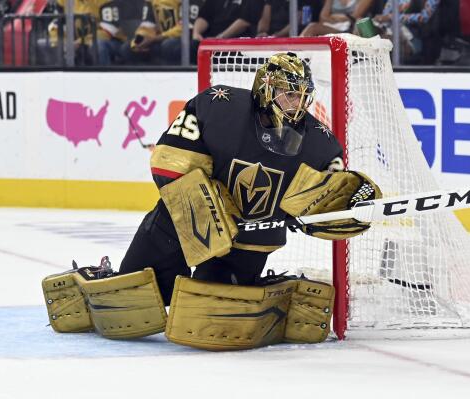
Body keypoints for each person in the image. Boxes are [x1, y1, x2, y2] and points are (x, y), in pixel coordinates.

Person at [42, 53, 381, 350]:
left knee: (215, 314)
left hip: (249, 242)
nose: (296, 104)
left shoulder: (321, 145)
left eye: (302, 97)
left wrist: (335, 210)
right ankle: (96, 278)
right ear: (265, 88)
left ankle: (269, 290)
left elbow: (330, 201)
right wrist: (213, 209)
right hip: (180, 224)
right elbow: (167, 162)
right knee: (129, 303)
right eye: (288, 94)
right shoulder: (219, 106)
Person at [190, 0, 264, 62]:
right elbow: (204, 16)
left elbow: (245, 22)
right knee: (187, 46)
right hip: (210, 43)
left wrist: (219, 38)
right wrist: (196, 32)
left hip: (237, 47)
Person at [300, 0, 373, 37]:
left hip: (353, 27)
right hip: (334, 27)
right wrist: (343, 17)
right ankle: (296, 57)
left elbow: (355, 16)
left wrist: (333, 16)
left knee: (359, 22)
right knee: (312, 27)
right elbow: (322, 17)